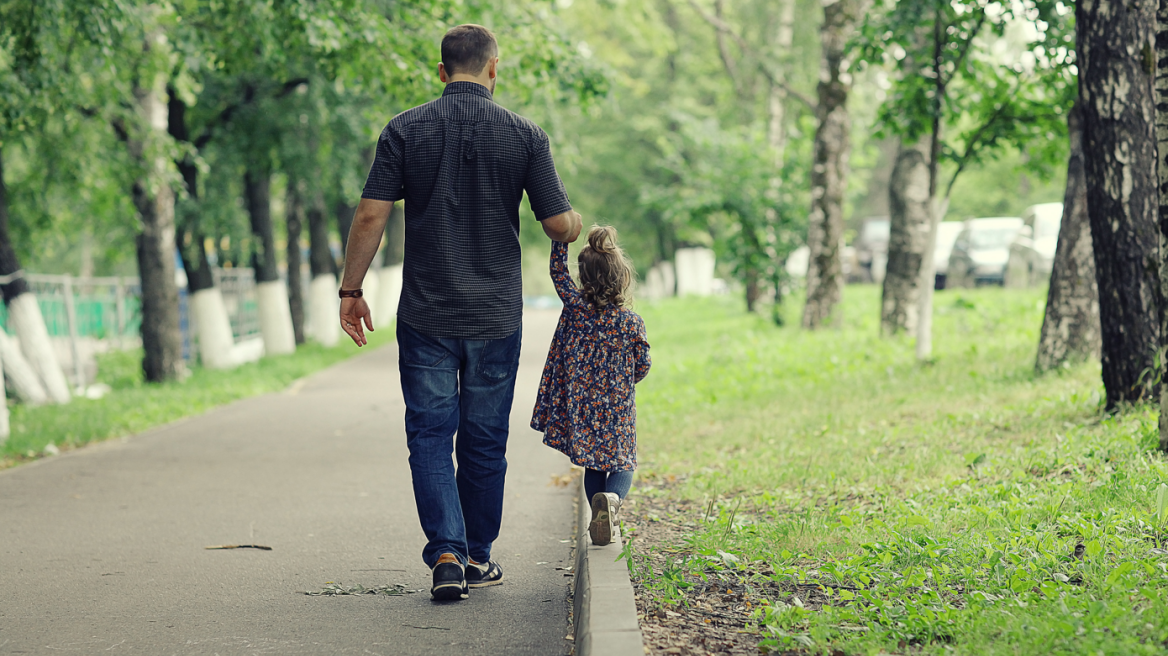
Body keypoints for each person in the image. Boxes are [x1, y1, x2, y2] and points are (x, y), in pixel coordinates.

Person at [337, 24, 583, 602]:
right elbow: (557, 224)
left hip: (427, 312)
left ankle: (446, 554)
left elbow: (371, 215)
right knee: (484, 438)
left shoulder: (404, 129)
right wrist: (574, 224)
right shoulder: (525, 134)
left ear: (441, 71)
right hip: (495, 315)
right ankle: (476, 555)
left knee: (428, 434)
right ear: (493, 69)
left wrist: (351, 289)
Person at [531, 226, 651, 547]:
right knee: (623, 461)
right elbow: (643, 364)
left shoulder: (576, 310)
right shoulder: (631, 322)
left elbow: (558, 271)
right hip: (618, 407)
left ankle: (599, 511)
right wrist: (626, 381)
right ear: (622, 278)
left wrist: (560, 229)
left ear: (583, 278)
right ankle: (612, 501)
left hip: (584, 406)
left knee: (593, 463)